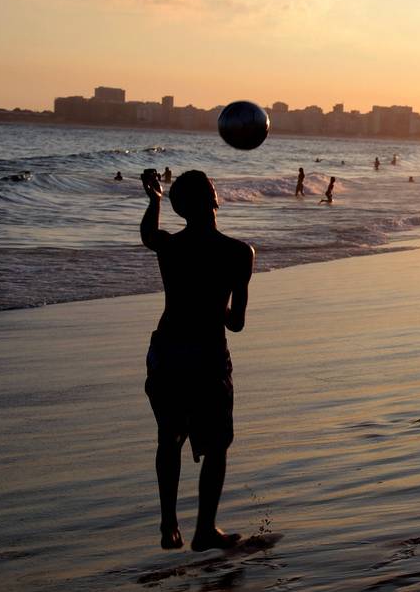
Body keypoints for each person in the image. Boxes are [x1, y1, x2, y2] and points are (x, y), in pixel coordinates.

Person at [139, 169, 254, 552]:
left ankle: (169, 524)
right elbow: (235, 324)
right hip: (207, 355)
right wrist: (214, 303)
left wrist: (153, 199)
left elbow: (148, 236)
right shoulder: (239, 253)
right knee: (217, 444)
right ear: (215, 200)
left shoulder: (171, 248)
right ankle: (205, 528)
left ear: (180, 208)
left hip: (169, 350)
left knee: (169, 437)